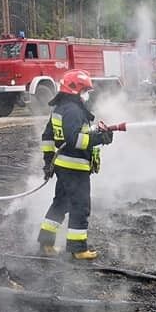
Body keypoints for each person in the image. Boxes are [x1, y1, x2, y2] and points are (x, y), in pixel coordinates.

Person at [37, 69, 113, 260]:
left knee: (61, 203)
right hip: (75, 168)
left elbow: (47, 137)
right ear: (76, 90)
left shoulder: (61, 109)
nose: (87, 94)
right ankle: (78, 249)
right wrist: (100, 139)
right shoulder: (73, 110)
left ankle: (46, 242)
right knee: (80, 206)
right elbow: (74, 140)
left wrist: (48, 162)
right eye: (86, 90)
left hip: (64, 167)